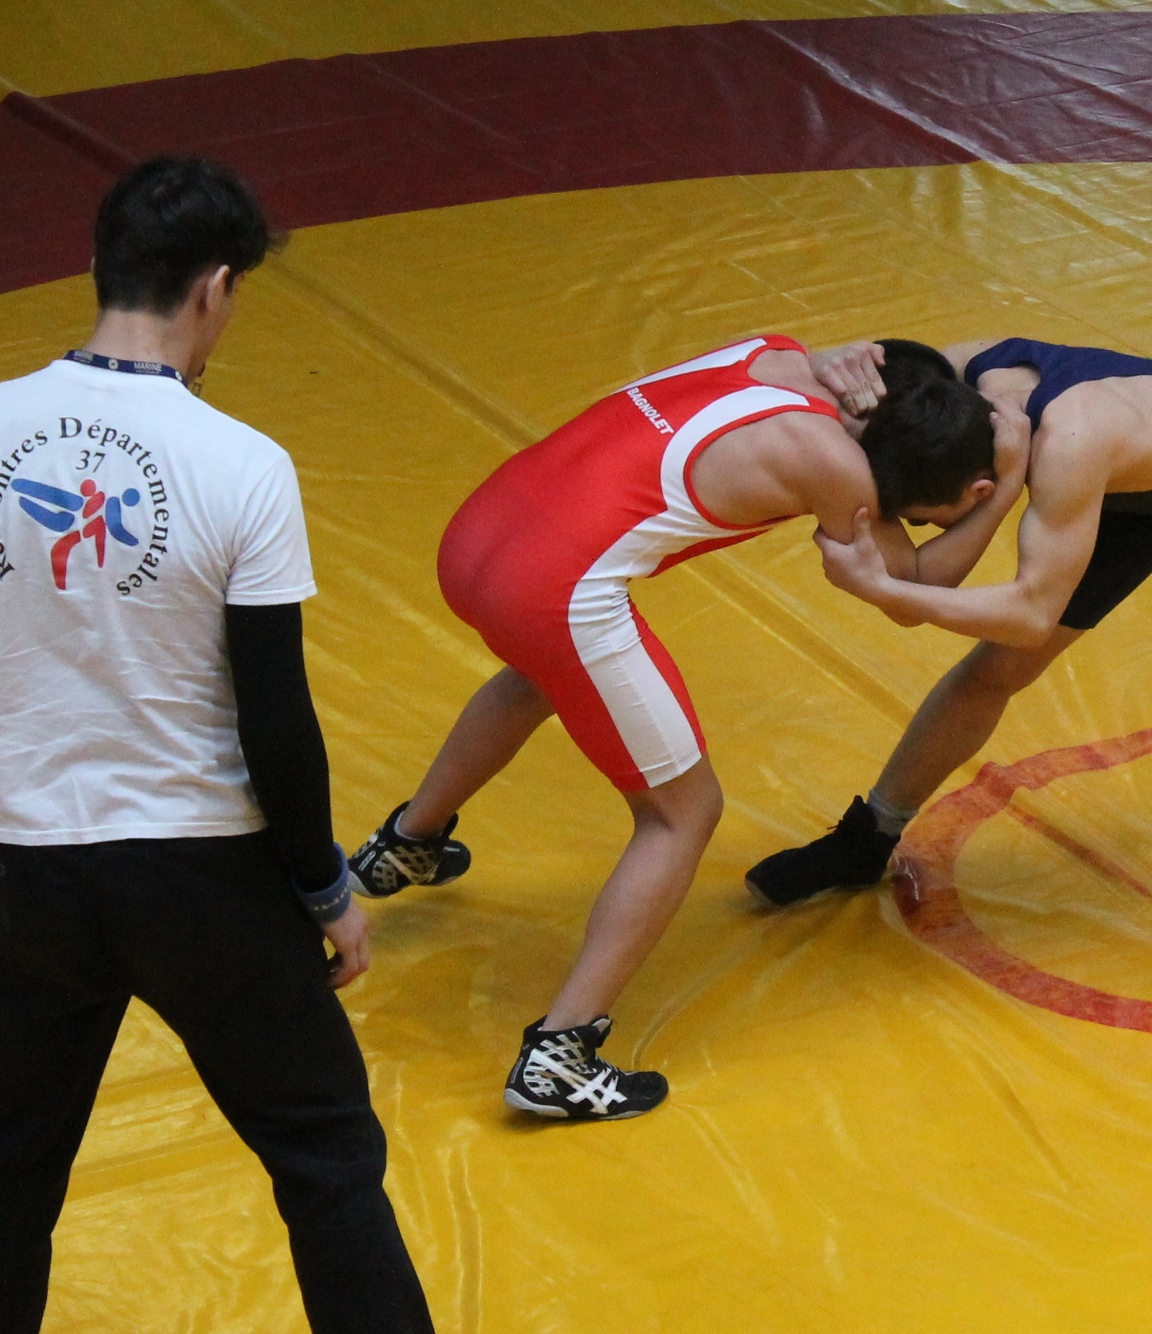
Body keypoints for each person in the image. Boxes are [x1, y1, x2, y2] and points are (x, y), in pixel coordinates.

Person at [0, 157, 434, 1334]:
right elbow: (275, 717)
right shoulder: (240, 464)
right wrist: (322, 885)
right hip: (204, 878)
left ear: (98, 265)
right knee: (325, 1158)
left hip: (31, 871)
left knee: (7, 1169)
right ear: (214, 287)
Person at [347, 336, 1029, 1121]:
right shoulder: (835, 466)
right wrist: (1004, 488)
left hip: (478, 536)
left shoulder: (777, 351)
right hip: (552, 591)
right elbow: (910, 589)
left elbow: (907, 367)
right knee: (683, 813)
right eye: (923, 514)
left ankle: (406, 843)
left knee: (542, 676)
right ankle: (560, 1056)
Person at [750, 337, 1152, 1022]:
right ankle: (865, 840)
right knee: (994, 671)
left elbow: (1028, 615)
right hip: (1127, 487)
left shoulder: (1071, 441)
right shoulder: (945, 383)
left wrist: (887, 589)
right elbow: (789, 368)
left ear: (978, 490)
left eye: (925, 521)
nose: (923, 533)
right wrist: (832, 361)